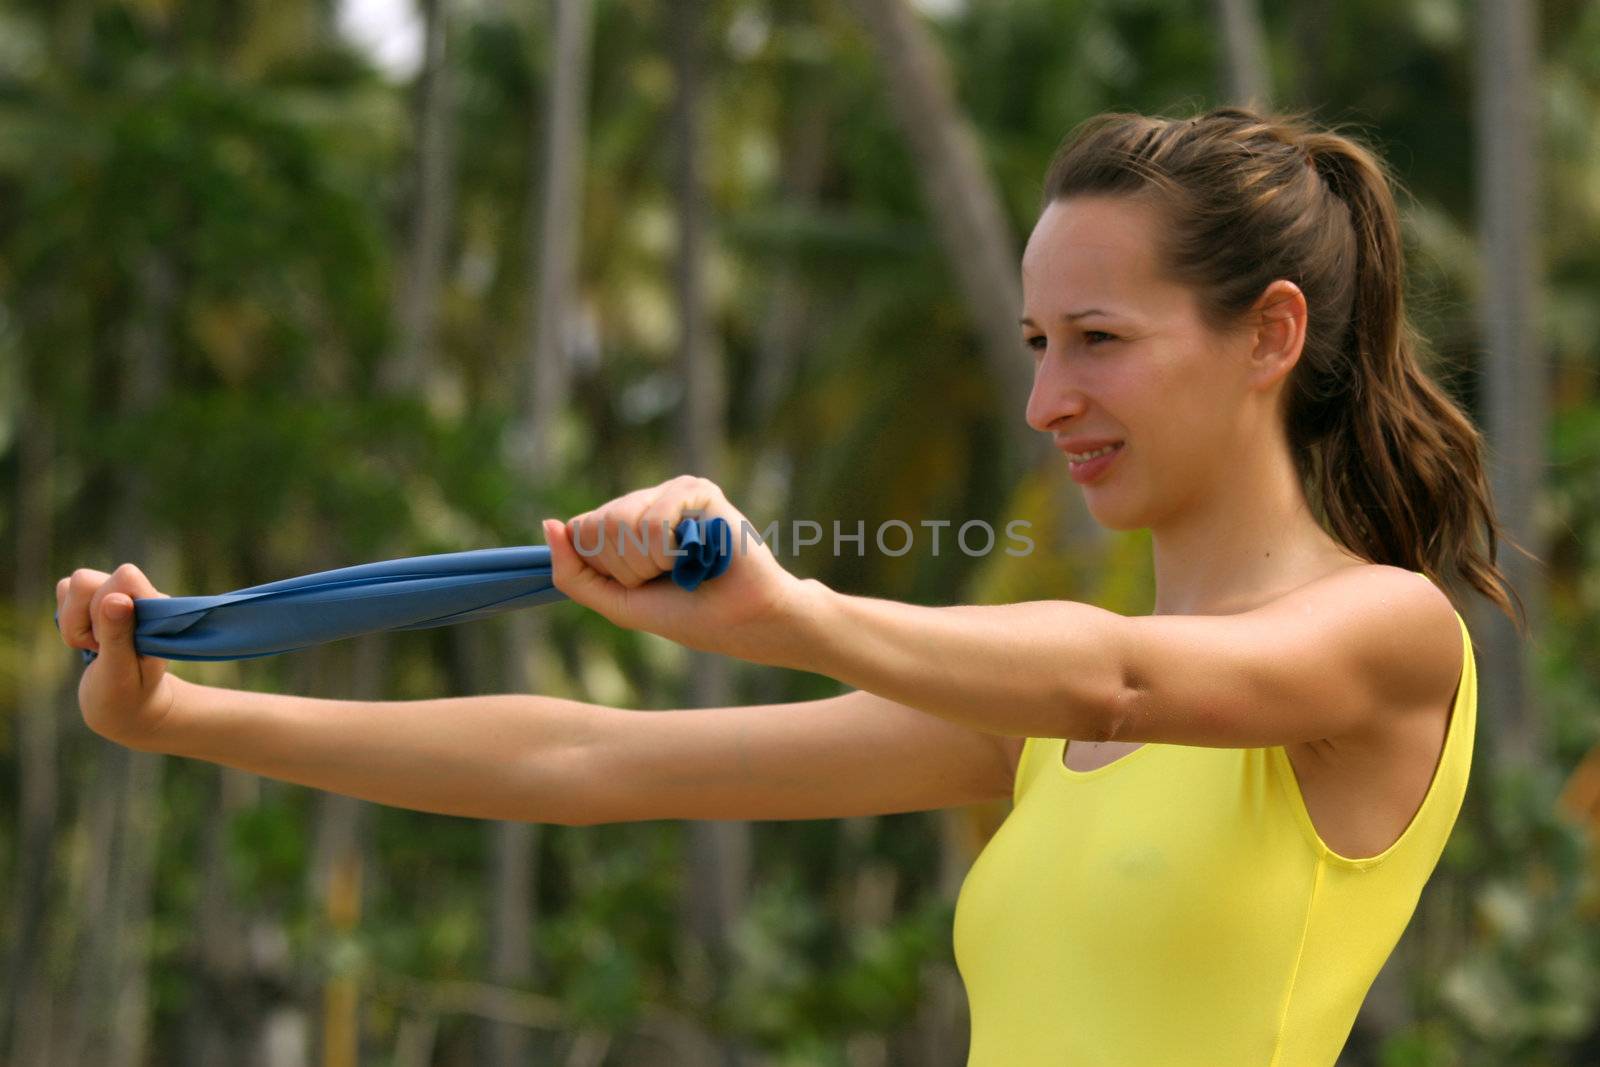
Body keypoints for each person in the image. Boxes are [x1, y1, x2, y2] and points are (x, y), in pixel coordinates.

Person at [56, 105, 1526, 1065]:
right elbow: (587, 757)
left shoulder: (1387, 636)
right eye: (1034, 347)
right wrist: (187, 715)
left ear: (1269, 335)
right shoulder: (1025, 713)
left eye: (1098, 338)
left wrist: (787, 614)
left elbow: (1124, 677)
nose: (1047, 400)